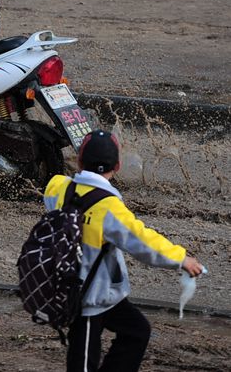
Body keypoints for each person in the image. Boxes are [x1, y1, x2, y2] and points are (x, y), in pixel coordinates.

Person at [44, 130, 204, 372]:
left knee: (137, 331)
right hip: (87, 298)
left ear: (78, 161)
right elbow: (143, 241)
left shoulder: (58, 188)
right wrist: (181, 258)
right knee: (85, 361)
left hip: (90, 290)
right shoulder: (110, 208)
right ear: (117, 166)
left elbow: (53, 197)